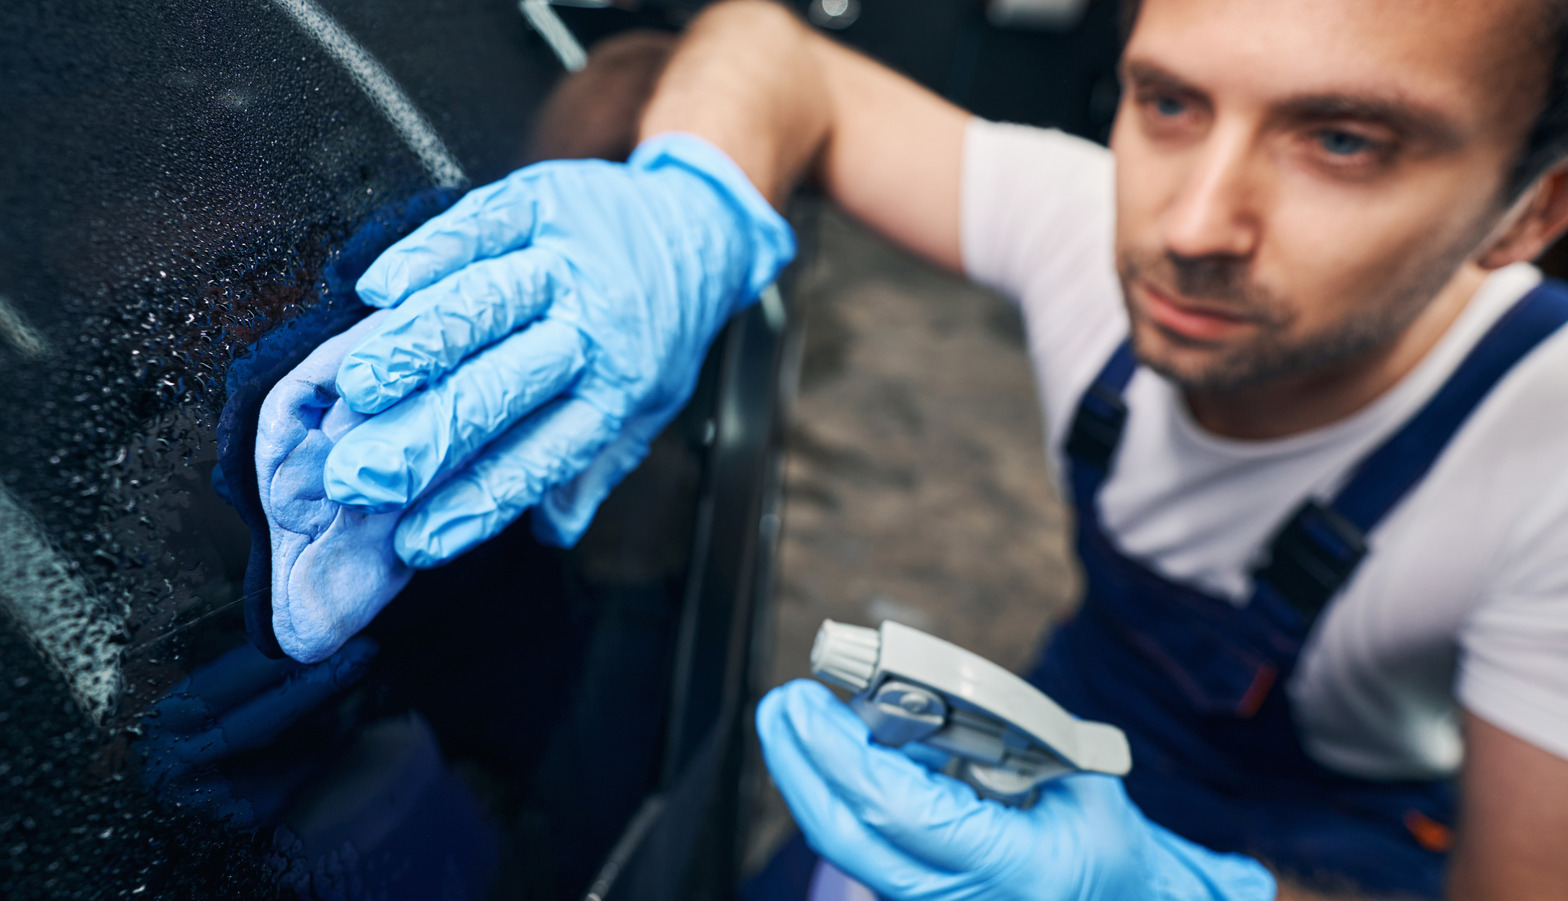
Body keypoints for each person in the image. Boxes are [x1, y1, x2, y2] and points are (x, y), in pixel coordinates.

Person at [317, 0, 1568, 897]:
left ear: (1527, 212)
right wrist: (688, 200)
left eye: (1343, 141)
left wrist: (1170, 892)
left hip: (1339, 841)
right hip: (1086, 714)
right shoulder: (1086, 223)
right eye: (1168, 101)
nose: (1189, 226)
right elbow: (776, 50)